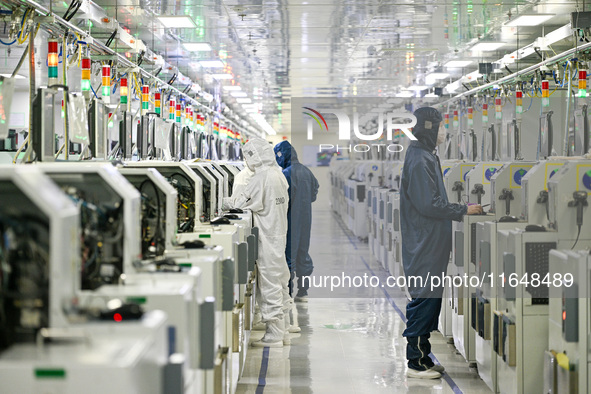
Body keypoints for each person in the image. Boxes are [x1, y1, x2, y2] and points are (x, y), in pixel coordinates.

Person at [400, 107, 482, 379]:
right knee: (425, 296)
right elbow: (428, 204)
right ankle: (415, 361)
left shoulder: (424, 156)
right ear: (428, 128)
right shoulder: (420, 159)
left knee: (430, 296)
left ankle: (423, 355)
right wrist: (461, 210)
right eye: (440, 126)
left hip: (431, 239)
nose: (444, 132)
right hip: (425, 240)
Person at [223, 138, 292, 347]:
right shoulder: (278, 175)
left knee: (269, 283)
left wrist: (221, 201)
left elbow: (239, 202)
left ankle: (274, 335)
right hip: (279, 233)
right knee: (280, 281)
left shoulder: (261, 178)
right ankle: (284, 329)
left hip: (267, 236)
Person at [274, 140, 319, 302]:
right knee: (302, 252)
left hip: (290, 220)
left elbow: (280, 200)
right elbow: (314, 193)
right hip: (306, 218)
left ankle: (289, 293)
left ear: (283, 155)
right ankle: (303, 291)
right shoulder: (307, 171)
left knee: (289, 254)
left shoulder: (286, 174)